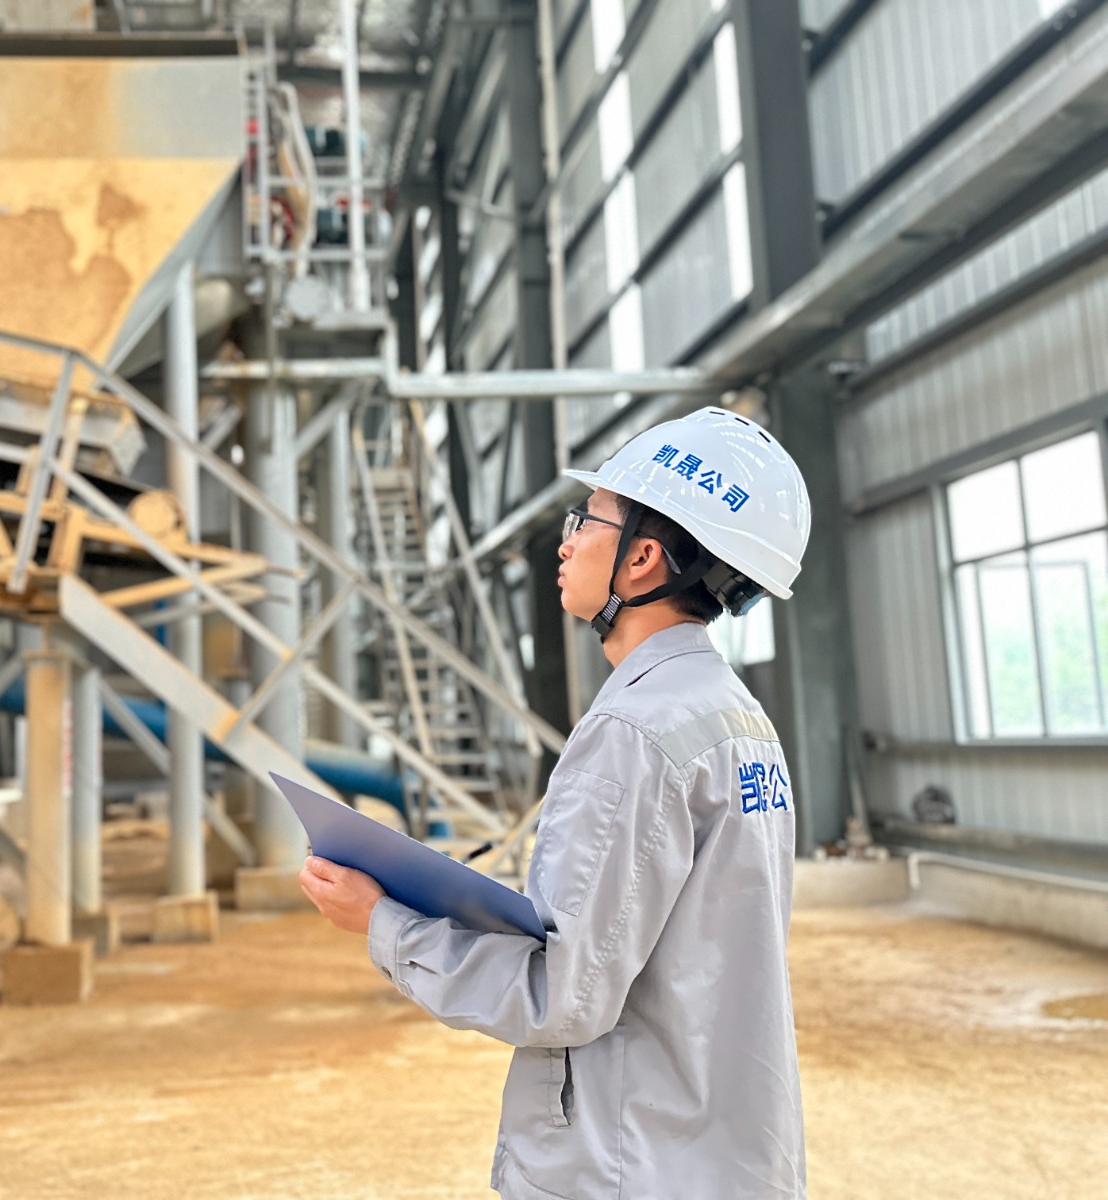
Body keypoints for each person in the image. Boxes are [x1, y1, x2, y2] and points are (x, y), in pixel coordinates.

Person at [300, 407, 812, 1199]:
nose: (567, 542)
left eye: (588, 520)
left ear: (642, 557)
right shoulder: (737, 719)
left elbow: (562, 996)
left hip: (627, 1164)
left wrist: (383, 923)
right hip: (717, 1156)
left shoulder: (633, 730)